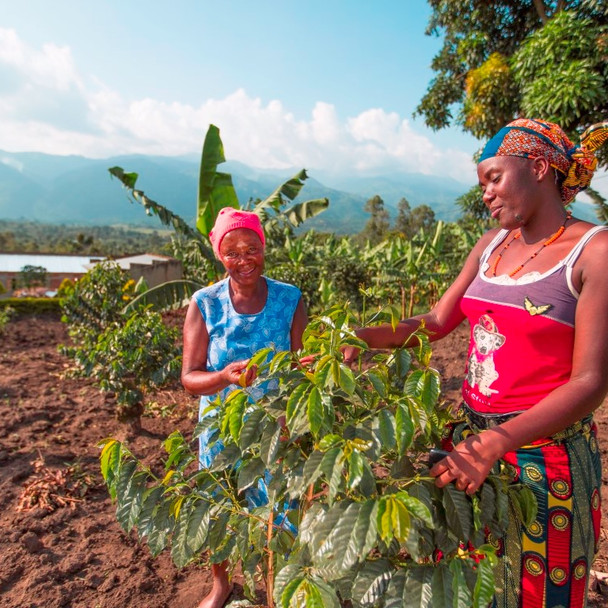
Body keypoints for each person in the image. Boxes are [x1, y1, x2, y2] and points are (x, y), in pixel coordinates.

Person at [343, 118, 608, 608]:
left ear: (540, 167)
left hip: (544, 461)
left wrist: (499, 441)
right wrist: (359, 336)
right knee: (474, 586)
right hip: (469, 448)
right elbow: (438, 321)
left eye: (494, 178)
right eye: (481, 183)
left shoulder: (596, 252)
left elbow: (591, 382)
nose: (485, 193)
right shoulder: (490, 245)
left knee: (537, 593)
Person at [181, 207, 308, 608]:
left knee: (281, 508)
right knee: (221, 507)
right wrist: (223, 378)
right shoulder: (205, 303)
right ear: (220, 256)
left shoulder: (290, 299)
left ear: (263, 248)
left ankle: (279, 585)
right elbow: (189, 377)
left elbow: (304, 364)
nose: (243, 259)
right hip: (221, 431)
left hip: (277, 427)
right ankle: (221, 586)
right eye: (231, 251)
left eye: (250, 248)